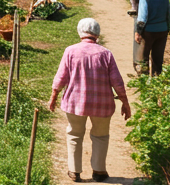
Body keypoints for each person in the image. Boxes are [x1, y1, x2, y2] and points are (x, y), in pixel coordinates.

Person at [49, 18, 132, 183]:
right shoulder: (105, 54)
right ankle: (99, 171)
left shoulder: (70, 51)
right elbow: (117, 81)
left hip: (75, 103)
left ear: (80, 32)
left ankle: (74, 171)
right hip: (102, 104)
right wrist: (125, 102)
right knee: (101, 136)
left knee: (74, 134)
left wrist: (54, 96)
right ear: (97, 34)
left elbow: (61, 77)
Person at [135, 0, 170, 77]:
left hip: (149, 32)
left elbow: (142, 17)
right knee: (158, 58)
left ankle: (143, 79)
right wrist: (168, 27)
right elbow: (169, 12)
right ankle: (157, 79)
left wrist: (138, 32)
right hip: (163, 30)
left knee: (143, 57)